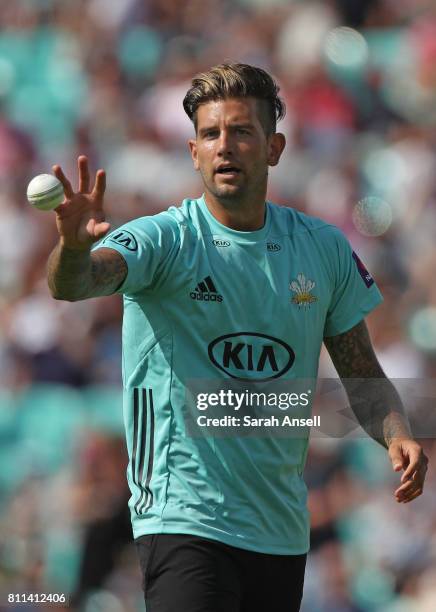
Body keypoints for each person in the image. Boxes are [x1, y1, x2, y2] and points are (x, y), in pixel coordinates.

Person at [47, 63, 428, 612]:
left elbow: (362, 372)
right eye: (210, 134)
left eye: (241, 131)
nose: (225, 146)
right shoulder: (166, 240)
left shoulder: (321, 248)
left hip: (280, 531)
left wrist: (398, 433)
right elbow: (76, 282)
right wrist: (76, 248)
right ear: (193, 152)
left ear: (274, 148)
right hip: (183, 518)